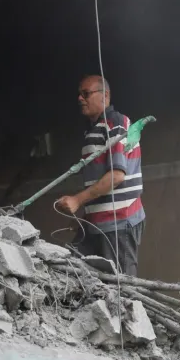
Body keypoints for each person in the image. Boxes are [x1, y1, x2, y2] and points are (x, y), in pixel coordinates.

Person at [56, 75, 146, 276]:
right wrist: (87, 215)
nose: (80, 98)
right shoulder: (94, 130)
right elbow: (100, 181)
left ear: (104, 95)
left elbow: (116, 176)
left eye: (86, 94)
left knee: (121, 284)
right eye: (79, 94)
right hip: (97, 224)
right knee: (72, 270)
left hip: (118, 222)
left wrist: (77, 200)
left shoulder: (116, 124)